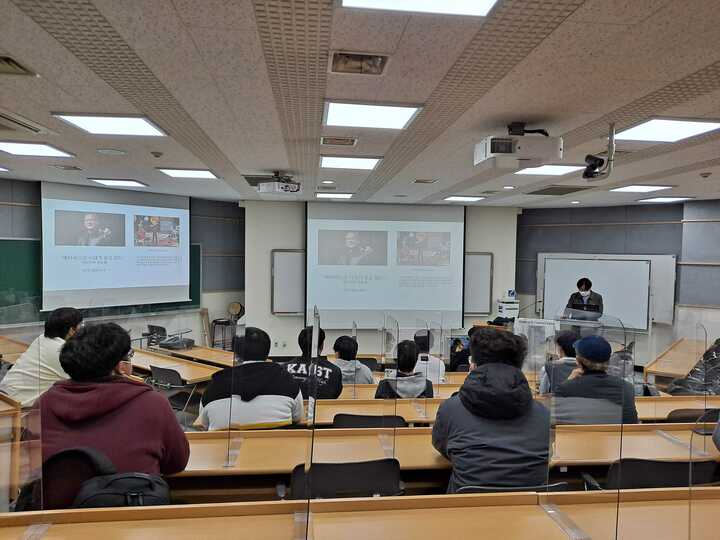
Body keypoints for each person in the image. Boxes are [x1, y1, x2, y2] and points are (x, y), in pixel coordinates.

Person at [39, 323, 189, 475]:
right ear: (119, 366)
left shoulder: (45, 402)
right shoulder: (152, 403)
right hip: (132, 490)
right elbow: (176, 463)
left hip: (62, 491)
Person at [432, 328, 550, 492]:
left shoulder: (450, 409)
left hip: (466, 504)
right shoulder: (544, 414)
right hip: (529, 505)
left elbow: (442, 447)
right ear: (519, 367)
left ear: (473, 365)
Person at [198, 327, 303, 430]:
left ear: (236, 355)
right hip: (277, 441)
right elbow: (297, 417)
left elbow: (203, 423)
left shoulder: (214, 387)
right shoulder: (287, 381)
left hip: (226, 442)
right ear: (267, 352)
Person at [0, 307, 83, 407]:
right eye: (81, 325)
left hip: (5, 394)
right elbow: (84, 382)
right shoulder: (62, 350)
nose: (83, 328)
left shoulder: (42, 338)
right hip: (21, 407)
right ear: (71, 330)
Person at [553, 335, 639, 425]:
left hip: (578, 434)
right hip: (614, 434)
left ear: (578, 361)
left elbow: (555, 423)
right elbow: (631, 423)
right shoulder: (626, 388)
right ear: (609, 361)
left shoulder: (565, 389)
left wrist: (568, 381)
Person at [284, 327, 343, 399]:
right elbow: (335, 395)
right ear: (322, 345)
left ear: (300, 344)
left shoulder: (283, 369)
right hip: (323, 406)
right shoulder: (335, 371)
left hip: (293, 406)